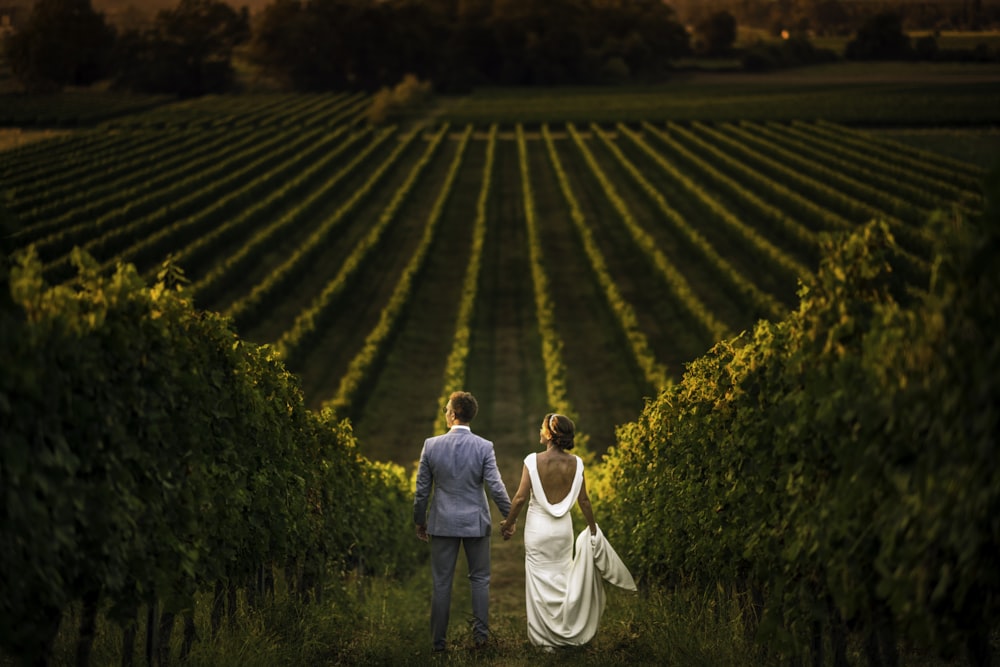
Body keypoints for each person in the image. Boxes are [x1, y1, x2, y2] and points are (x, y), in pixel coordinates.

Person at [500, 413, 636, 651]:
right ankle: (565, 632)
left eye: (542, 428)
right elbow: (584, 501)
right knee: (562, 578)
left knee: (539, 580)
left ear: (550, 434)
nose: (539, 432)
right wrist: (593, 530)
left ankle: (545, 640)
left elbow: (521, 497)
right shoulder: (577, 463)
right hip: (563, 531)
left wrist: (509, 523)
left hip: (538, 530)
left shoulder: (532, 461)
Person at [413, 391, 512, 654]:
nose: (445, 413)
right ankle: (480, 640)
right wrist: (509, 517)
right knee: (480, 580)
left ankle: (438, 645)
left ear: (454, 414)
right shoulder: (484, 446)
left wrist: (419, 520)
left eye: (447, 409)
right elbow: (496, 486)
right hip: (475, 523)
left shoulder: (431, 445)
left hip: (442, 523)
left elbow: (422, 489)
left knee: (442, 583)